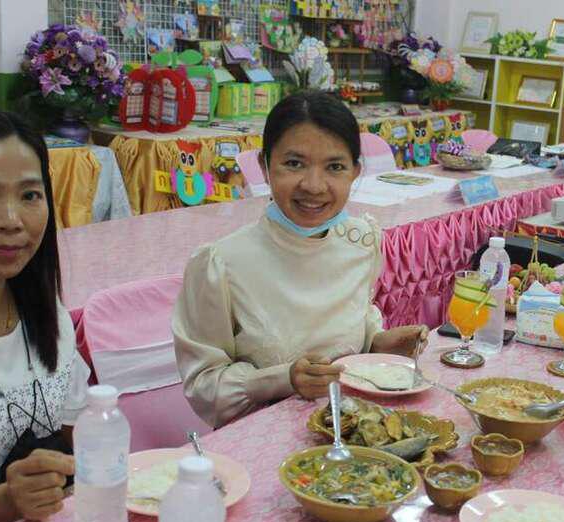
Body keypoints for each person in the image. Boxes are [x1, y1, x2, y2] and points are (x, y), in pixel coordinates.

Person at [173, 91, 427, 429]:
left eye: (334, 167)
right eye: (294, 164)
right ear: (264, 167)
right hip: (261, 437)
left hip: (351, 427)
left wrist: (377, 341)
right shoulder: (221, 263)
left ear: (355, 172)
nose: (314, 186)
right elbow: (203, 386)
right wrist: (283, 379)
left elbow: (356, 317)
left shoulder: (362, 240)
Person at [0, 107, 89, 522]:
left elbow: (79, 434)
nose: (11, 221)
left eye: (30, 195)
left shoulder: (47, 313)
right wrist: (8, 501)